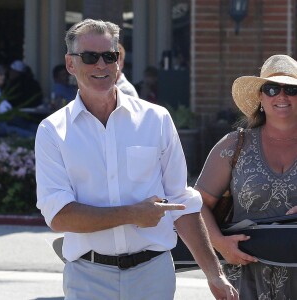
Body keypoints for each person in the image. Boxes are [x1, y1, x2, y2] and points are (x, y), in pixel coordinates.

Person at [35, 18, 238, 300]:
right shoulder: (52, 131)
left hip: (153, 274)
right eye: (91, 57)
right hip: (88, 278)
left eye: (110, 56)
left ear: (119, 61)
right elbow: (58, 216)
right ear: (71, 64)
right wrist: (133, 214)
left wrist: (214, 274)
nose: (101, 65)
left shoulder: (156, 119)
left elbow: (181, 201)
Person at [195, 54, 297, 299]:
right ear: (260, 97)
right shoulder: (234, 145)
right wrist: (219, 243)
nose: (281, 96)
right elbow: (195, 203)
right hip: (246, 276)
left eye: (291, 89)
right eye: (272, 89)